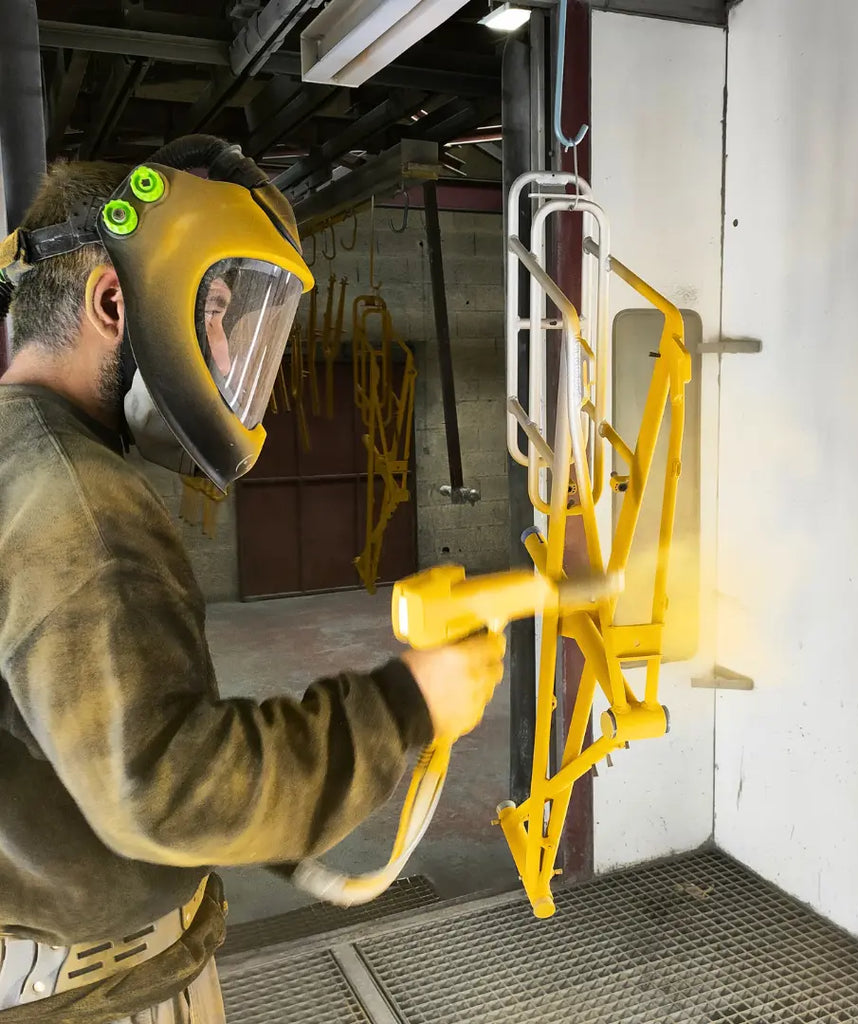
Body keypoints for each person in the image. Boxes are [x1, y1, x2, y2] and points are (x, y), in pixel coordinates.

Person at [0, 137, 505, 1023]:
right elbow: (163, 788)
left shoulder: (22, 458)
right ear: (114, 300)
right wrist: (406, 705)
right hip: (103, 995)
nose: (230, 352)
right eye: (218, 311)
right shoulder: (76, 500)